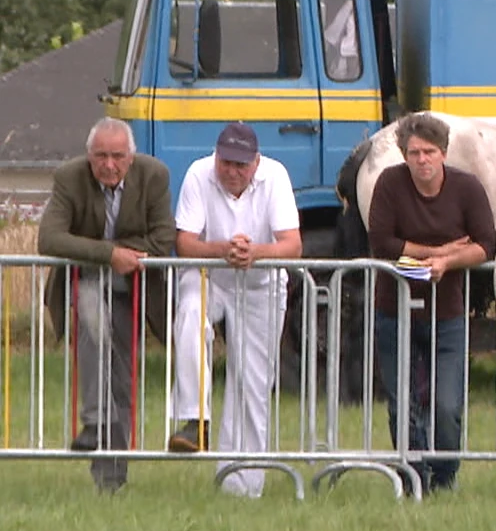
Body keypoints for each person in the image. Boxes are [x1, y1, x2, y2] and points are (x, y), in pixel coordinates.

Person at [37, 118, 175, 493]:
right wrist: (110, 254)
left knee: (122, 379)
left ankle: (112, 476)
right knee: (93, 320)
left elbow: (162, 242)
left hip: (134, 288)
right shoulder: (69, 177)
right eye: (101, 156)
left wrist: (113, 254)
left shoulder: (155, 175)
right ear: (88, 156)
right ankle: (96, 422)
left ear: (131, 157)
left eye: (117, 156)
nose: (109, 165)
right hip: (87, 281)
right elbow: (49, 239)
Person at [165, 122, 303, 496]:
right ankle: (195, 419)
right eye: (226, 162)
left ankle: (241, 487)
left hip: (262, 284)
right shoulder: (198, 173)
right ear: (216, 156)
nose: (232, 171)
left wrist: (254, 252)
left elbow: (292, 245)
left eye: (241, 164)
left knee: (252, 383)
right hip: (211, 274)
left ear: (256, 163)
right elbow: (186, 243)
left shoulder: (276, 176)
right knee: (191, 313)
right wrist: (224, 251)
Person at [366, 112, 496, 494]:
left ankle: (444, 478)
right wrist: (436, 252)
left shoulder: (467, 188)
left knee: (447, 404)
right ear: (404, 155)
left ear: (443, 153)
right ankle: (412, 477)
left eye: (428, 152)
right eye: (413, 153)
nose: (421, 160)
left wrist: (447, 263)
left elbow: (486, 244)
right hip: (394, 308)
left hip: (449, 312)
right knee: (402, 401)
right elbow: (382, 243)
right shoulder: (390, 183)